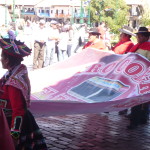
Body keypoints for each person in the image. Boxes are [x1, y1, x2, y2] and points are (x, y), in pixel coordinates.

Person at [0, 38, 47, 149]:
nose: (0, 59)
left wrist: (14, 135)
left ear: (6, 60)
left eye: (2, 57)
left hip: (13, 123)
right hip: (19, 119)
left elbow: (18, 110)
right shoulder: (17, 72)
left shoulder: (13, 84)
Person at [127, 27, 150, 129]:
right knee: (135, 98)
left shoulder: (148, 47)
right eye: (137, 36)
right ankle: (135, 119)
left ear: (146, 37)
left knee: (142, 99)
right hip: (134, 77)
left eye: (140, 36)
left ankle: (139, 119)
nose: (138, 38)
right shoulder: (137, 46)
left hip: (144, 77)